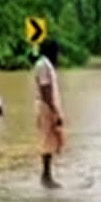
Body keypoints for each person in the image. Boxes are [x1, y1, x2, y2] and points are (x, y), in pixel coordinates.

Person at [34, 39, 64, 189]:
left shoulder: (47, 65)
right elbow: (46, 90)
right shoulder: (43, 65)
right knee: (47, 140)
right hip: (46, 106)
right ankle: (46, 176)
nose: (58, 56)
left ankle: (47, 175)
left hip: (49, 106)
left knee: (52, 140)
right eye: (57, 52)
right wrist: (54, 111)